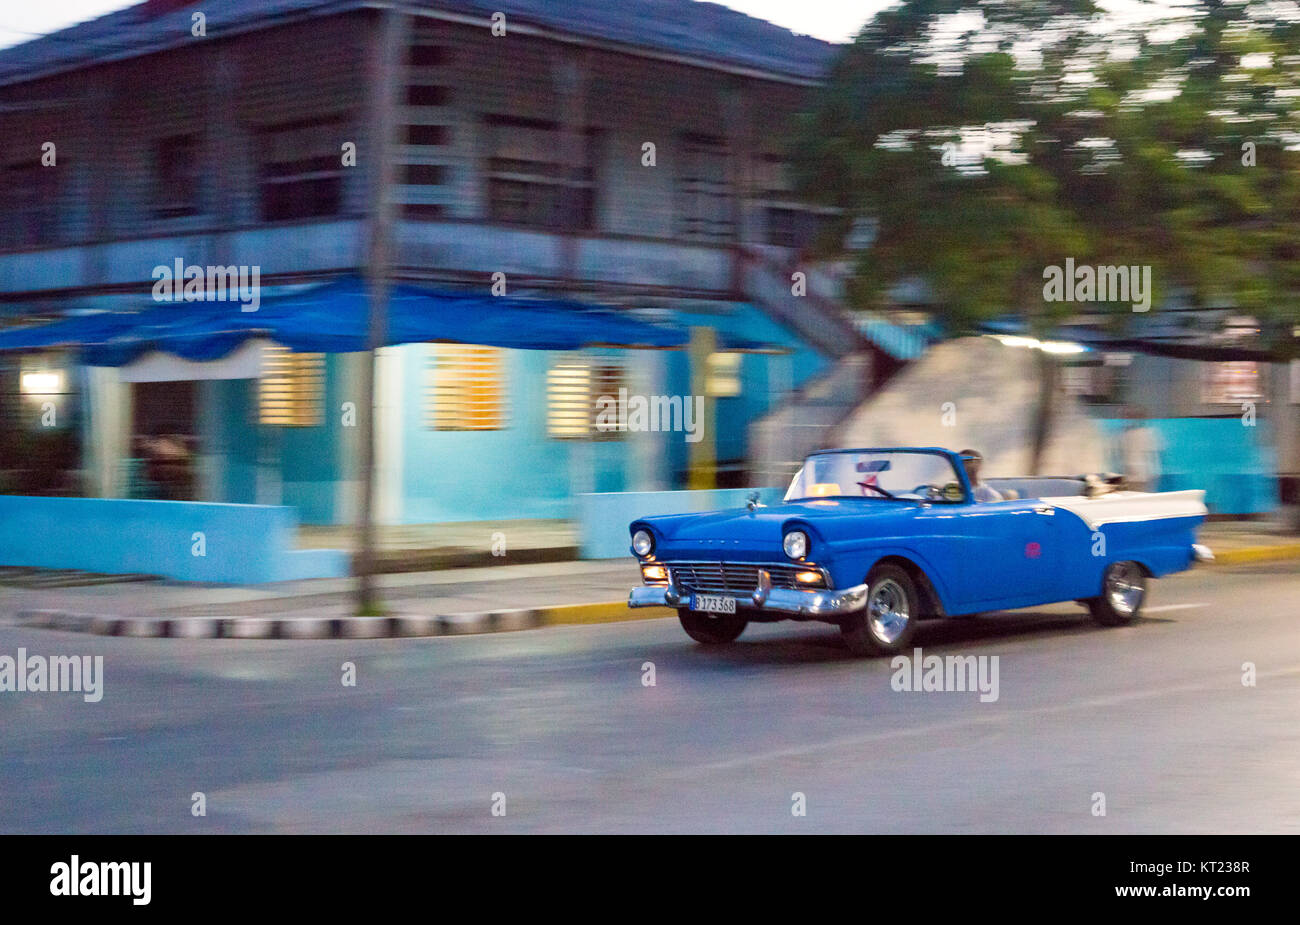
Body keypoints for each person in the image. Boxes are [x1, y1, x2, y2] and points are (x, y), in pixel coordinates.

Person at [1119, 406, 1163, 492]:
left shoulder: (1149, 433)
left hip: (1143, 476)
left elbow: (1154, 456)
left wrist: (1154, 473)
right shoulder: (1123, 434)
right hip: (1131, 476)